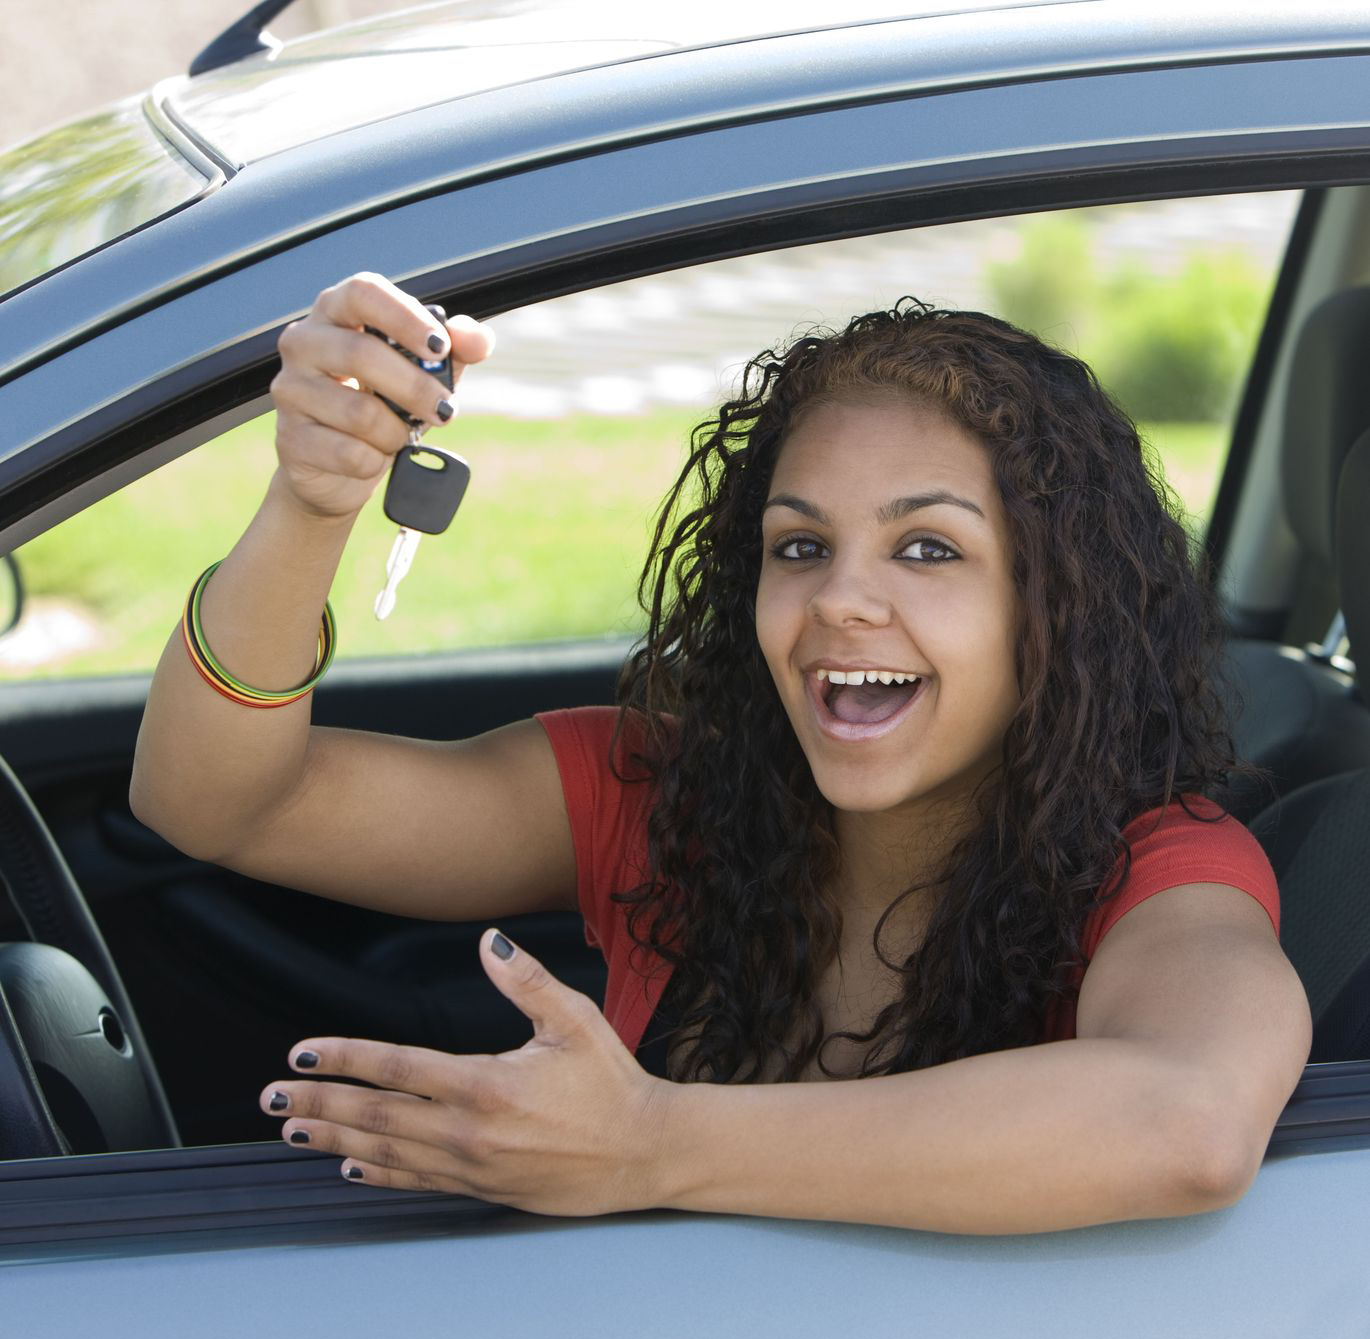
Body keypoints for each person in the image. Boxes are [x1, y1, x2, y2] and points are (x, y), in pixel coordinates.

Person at [129, 271, 1313, 1234]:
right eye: (798, 547)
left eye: (927, 551)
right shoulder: (664, 797)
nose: (838, 599)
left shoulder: (1156, 865)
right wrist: (310, 503)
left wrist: (646, 1143)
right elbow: (222, 804)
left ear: (1058, 605)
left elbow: (1185, 1119)